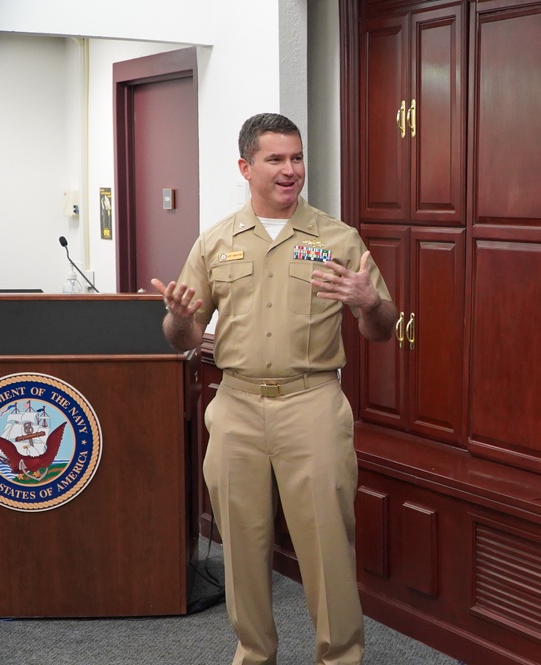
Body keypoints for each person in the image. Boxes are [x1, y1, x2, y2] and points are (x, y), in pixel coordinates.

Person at [152, 112, 398, 665]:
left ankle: (340, 658)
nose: (291, 171)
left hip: (311, 404)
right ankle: (254, 654)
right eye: (276, 159)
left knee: (328, 547)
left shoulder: (338, 238)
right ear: (246, 166)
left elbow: (381, 328)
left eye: (297, 158)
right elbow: (184, 337)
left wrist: (368, 302)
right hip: (236, 405)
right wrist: (177, 319)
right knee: (241, 546)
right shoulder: (216, 241)